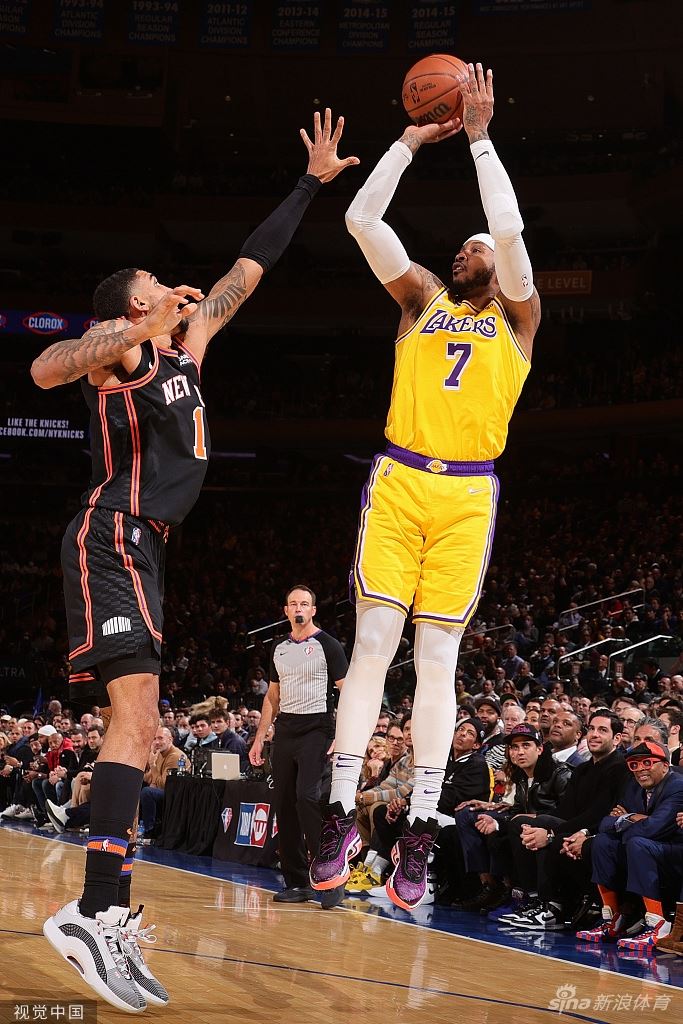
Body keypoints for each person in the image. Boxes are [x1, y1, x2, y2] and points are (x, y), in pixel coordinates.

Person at [34, 109, 358, 1013]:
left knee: (142, 730)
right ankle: (93, 911)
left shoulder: (186, 345)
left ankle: (102, 910)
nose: (172, 288)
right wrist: (134, 328)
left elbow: (249, 268)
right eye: (154, 286)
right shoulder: (116, 357)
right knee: (136, 721)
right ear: (132, 305)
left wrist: (310, 184)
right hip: (111, 531)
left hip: (148, 547)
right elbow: (45, 368)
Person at [311, 63, 541, 911]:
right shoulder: (419, 299)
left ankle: (418, 826)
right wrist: (408, 143)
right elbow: (361, 219)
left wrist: (479, 139)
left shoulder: (517, 319)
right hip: (400, 480)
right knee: (374, 645)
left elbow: (508, 229)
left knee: (437, 656)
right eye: (463, 248)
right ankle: (339, 810)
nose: (465, 252)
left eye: (474, 249)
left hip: (467, 495)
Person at [250, 586, 348, 907]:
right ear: (286, 610)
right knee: (284, 803)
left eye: (304, 603)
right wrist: (260, 736)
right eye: (293, 604)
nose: (298, 608)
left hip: (317, 728)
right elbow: (272, 696)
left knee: (307, 797)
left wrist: (343, 733)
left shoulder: (328, 645)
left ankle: (330, 876)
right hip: (286, 730)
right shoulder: (278, 647)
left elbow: (347, 691)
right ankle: (297, 881)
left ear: (313, 610)